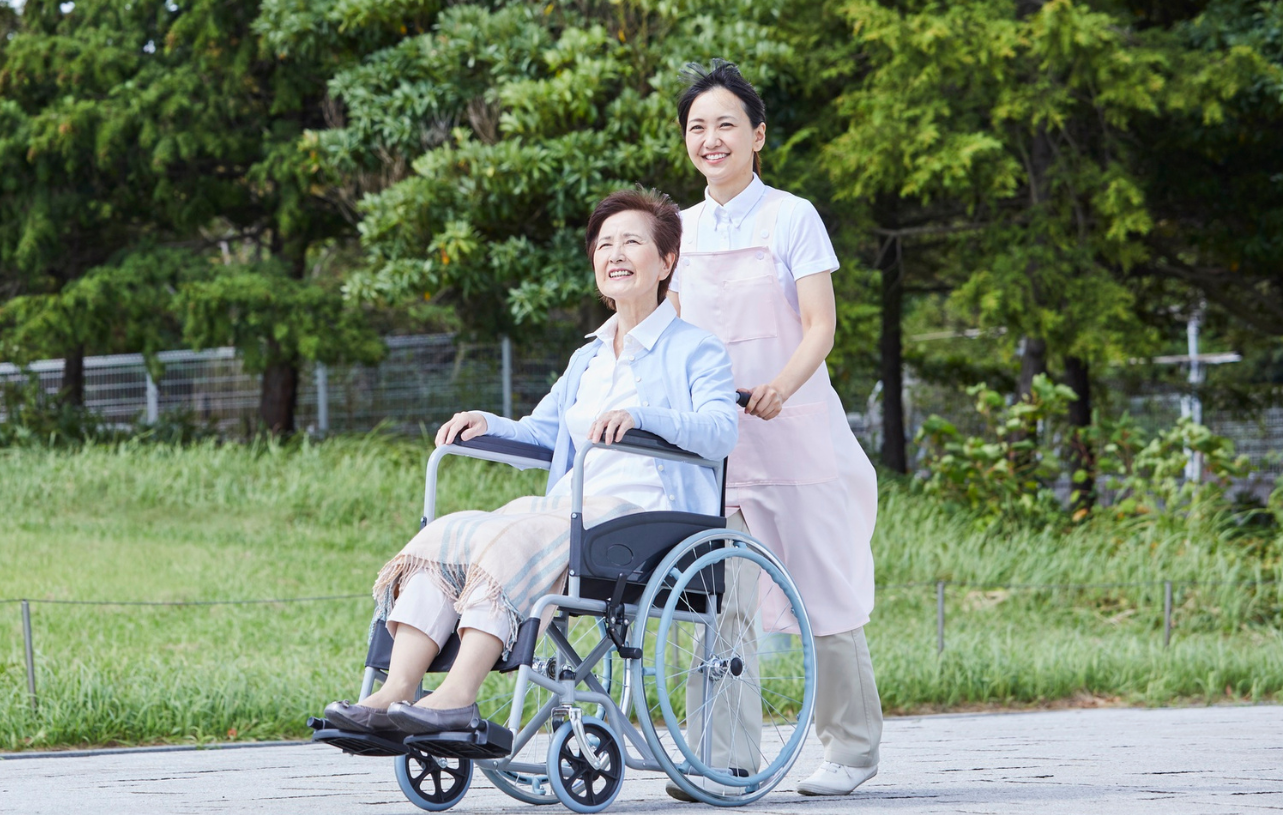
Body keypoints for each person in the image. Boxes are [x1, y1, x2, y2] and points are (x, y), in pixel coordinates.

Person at [321, 189, 740, 737]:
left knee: (518, 536)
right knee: (451, 536)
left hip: (646, 518)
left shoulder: (696, 349)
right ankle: (397, 691)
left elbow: (720, 431)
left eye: (632, 241)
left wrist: (644, 416)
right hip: (569, 508)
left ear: (666, 262)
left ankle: (458, 697)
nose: (614, 253)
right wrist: (488, 424)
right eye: (604, 244)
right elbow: (544, 435)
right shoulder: (587, 357)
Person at [666, 60, 883, 798]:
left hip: (795, 437)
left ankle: (851, 751)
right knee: (717, 600)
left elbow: (821, 327)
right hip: (716, 447)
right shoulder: (678, 231)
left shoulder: (792, 215)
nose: (711, 138)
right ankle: (721, 759)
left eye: (726, 124)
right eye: (697, 127)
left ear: (758, 136)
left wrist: (779, 391)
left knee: (825, 593)